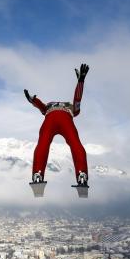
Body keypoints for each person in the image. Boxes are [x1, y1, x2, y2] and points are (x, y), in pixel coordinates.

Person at [24, 63, 89, 193]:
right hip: (66, 119)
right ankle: (82, 174)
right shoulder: (71, 108)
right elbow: (77, 100)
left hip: (50, 119)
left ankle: (38, 174)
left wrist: (33, 101)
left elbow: (41, 106)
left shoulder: (49, 107)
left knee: (42, 144)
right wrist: (81, 81)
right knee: (76, 145)